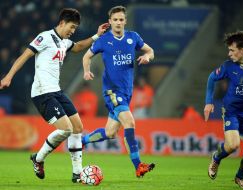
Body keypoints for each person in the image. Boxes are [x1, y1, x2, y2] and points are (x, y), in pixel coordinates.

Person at [0, 8, 109, 182]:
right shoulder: (44, 37)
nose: (72, 31)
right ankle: (38, 158)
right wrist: (8, 76)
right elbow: (25, 56)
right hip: (42, 92)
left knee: (78, 128)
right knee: (66, 129)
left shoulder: (64, 42)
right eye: (71, 27)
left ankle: (76, 173)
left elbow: (79, 46)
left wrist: (96, 36)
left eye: (75, 28)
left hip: (56, 91)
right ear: (61, 23)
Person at [81, 5, 155, 177]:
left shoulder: (133, 37)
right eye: (115, 20)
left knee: (110, 132)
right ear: (110, 22)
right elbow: (86, 56)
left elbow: (150, 51)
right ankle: (138, 166)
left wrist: (147, 57)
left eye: (121, 19)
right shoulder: (103, 40)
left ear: (125, 21)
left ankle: (82, 140)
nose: (118, 22)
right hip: (112, 92)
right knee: (130, 122)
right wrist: (86, 71)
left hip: (127, 92)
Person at [204, 31, 243, 189]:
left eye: (232, 50)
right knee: (233, 146)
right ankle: (216, 158)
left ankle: (239, 176)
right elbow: (212, 78)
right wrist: (208, 102)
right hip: (232, 111)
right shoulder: (228, 66)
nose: (229, 53)